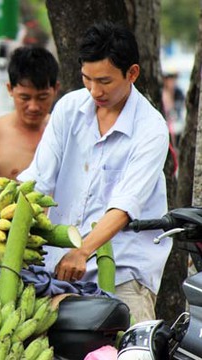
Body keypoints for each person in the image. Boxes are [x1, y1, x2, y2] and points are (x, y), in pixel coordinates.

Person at [17, 22, 171, 323]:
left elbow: (125, 206)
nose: (95, 90)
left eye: (105, 81)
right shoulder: (68, 108)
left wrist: (83, 251)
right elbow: (37, 181)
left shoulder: (151, 129)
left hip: (126, 272)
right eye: (87, 79)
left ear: (133, 73)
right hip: (60, 268)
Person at [0, 46, 60, 187]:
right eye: (25, 97)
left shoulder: (63, 131)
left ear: (56, 89)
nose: (33, 106)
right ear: (10, 89)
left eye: (42, 97)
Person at [162, 71, 186, 147]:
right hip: (167, 128)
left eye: (174, 79)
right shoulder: (163, 94)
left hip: (177, 126)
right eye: (170, 79)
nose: (172, 82)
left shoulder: (179, 93)